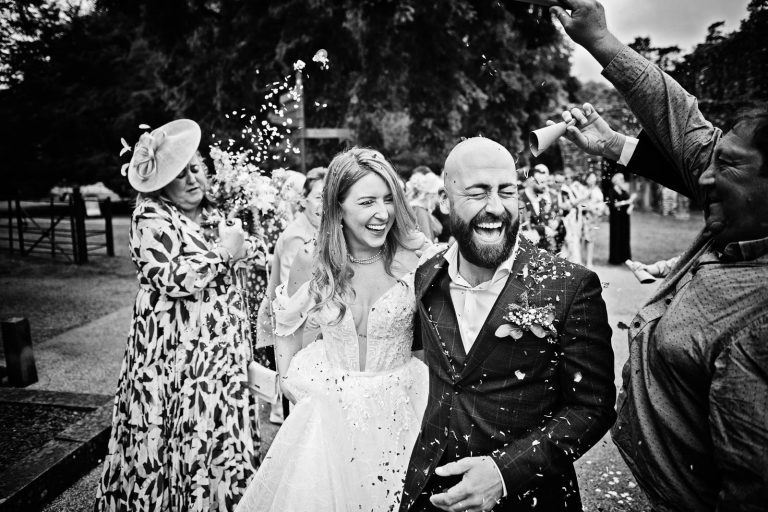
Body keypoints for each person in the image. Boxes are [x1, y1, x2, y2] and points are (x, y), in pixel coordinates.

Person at [552, 0, 768, 509]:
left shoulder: (760, 328)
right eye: (710, 163)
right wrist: (600, 40)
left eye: (729, 167)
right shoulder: (739, 216)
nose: (705, 178)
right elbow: (679, 118)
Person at [400, 137, 616, 512]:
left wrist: (503, 473)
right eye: (478, 193)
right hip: (430, 494)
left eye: (507, 191)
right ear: (444, 202)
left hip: (529, 498)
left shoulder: (570, 286)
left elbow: (592, 408)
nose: (495, 208)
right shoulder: (427, 278)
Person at [235, 147, 429, 512]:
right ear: (337, 208)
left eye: (389, 199)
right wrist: (288, 378)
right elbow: (285, 322)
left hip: (402, 403)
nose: (382, 213)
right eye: (367, 201)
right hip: (329, 409)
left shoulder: (414, 254)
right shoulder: (313, 259)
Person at [94, 120, 259, 511]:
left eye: (194, 169)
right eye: (179, 174)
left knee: (216, 432)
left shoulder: (213, 213)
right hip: (174, 360)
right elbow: (169, 277)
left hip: (217, 359)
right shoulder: (150, 217)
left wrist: (243, 243)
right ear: (160, 183)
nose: (191, 179)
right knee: (174, 434)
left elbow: (248, 250)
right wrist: (224, 253)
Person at [257, 166, 327, 423]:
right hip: (291, 329)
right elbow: (293, 295)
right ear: (303, 200)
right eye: (319, 197)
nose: (325, 203)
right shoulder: (298, 237)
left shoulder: (321, 230)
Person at [607, 172, 635, 264]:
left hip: (625, 217)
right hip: (616, 218)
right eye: (621, 179)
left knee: (625, 236)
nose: (622, 181)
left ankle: (625, 258)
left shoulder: (624, 192)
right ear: (616, 181)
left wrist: (630, 206)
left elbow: (630, 203)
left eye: (623, 179)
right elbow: (612, 204)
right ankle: (615, 259)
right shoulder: (611, 191)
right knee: (616, 236)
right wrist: (625, 202)